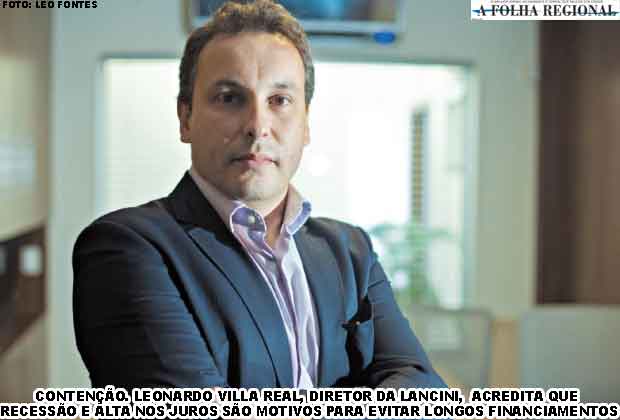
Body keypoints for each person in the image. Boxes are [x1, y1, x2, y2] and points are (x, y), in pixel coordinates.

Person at [72, 0, 446, 390]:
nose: (257, 125)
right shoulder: (126, 248)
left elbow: (421, 386)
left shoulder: (351, 252)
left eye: (279, 100)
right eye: (229, 97)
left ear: (306, 124)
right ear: (185, 118)